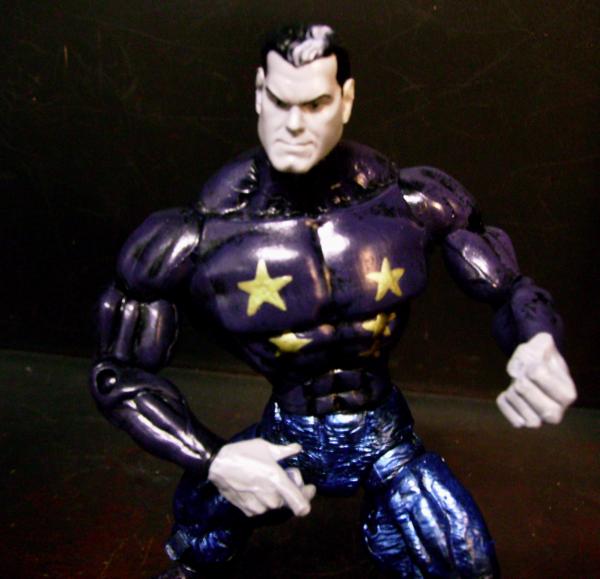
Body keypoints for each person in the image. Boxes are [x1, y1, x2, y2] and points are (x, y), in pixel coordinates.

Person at [90, 24, 577, 578]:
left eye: (316, 104)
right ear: (259, 93)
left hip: (386, 436)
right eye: (280, 101)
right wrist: (214, 457)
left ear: (346, 99)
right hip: (287, 436)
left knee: (468, 562)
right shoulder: (193, 237)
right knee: (193, 546)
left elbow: (511, 288)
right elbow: (117, 373)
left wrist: (538, 342)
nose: (295, 124)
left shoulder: (411, 201)